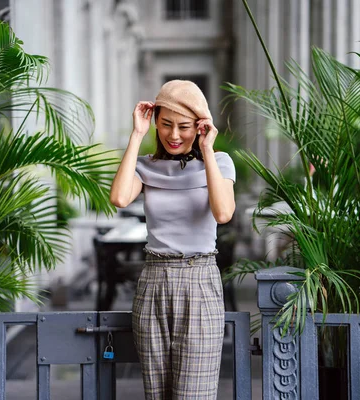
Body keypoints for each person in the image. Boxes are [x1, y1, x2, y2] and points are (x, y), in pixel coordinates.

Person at [110, 80, 236, 399]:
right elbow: (120, 198)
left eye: (184, 126)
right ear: (155, 122)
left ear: (200, 127)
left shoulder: (219, 163)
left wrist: (207, 150)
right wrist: (137, 135)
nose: (174, 135)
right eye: (166, 125)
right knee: (158, 394)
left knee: (194, 393)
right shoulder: (146, 167)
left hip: (200, 282)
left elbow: (223, 214)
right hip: (153, 281)